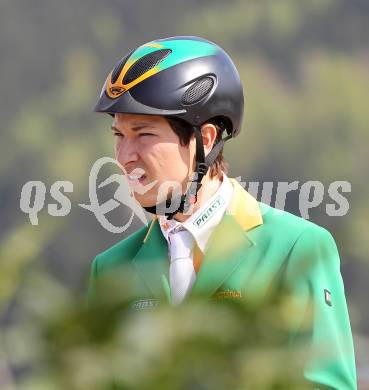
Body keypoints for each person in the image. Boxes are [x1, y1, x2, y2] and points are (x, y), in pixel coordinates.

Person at [89, 35, 357, 388]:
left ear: (207, 138)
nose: (124, 156)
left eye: (144, 134)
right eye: (119, 135)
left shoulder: (299, 249)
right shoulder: (109, 270)